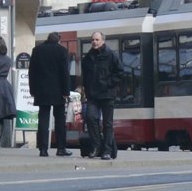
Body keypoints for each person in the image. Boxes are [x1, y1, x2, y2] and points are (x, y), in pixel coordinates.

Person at [81, 31, 123, 160]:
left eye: (97, 40)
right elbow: (85, 76)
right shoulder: (88, 57)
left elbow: (120, 72)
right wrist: (87, 90)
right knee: (90, 118)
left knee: (107, 124)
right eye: (93, 40)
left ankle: (107, 150)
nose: (94, 42)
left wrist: (108, 84)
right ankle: (96, 146)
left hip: (107, 94)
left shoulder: (111, 55)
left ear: (103, 41)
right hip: (93, 95)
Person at [29, 32, 72, 157]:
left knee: (43, 118)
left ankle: (43, 149)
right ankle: (61, 148)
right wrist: (66, 92)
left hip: (41, 90)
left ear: (47, 39)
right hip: (58, 90)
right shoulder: (62, 51)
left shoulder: (37, 50)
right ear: (58, 40)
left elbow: (32, 72)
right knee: (59, 120)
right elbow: (65, 73)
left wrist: (32, 90)